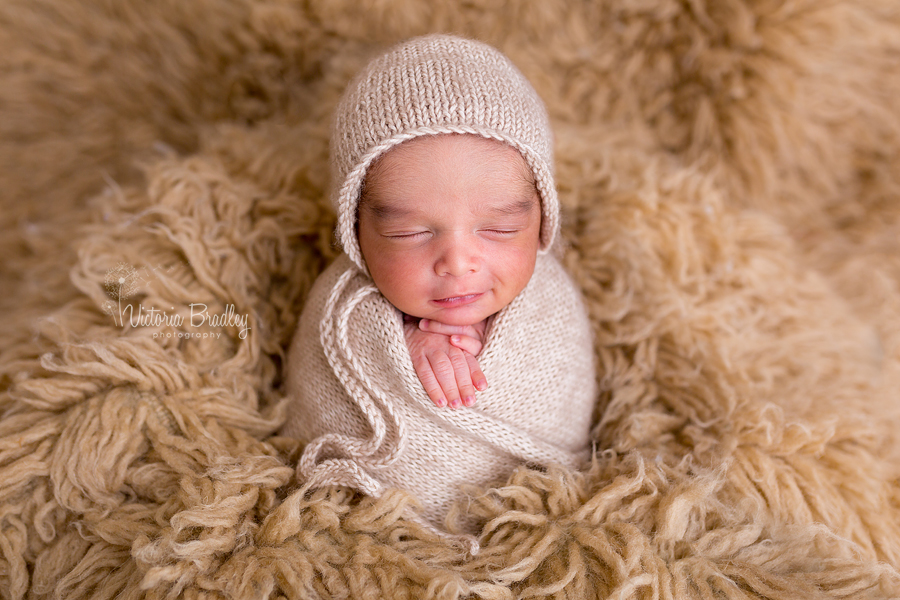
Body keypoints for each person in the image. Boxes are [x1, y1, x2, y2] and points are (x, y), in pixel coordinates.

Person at [281, 34, 596, 538]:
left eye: (499, 229)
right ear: (356, 234)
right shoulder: (342, 310)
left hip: (522, 528)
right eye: (409, 233)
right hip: (374, 534)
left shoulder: (550, 306)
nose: (457, 262)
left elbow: (563, 399)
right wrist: (401, 347)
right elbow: (319, 407)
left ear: (541, 221)